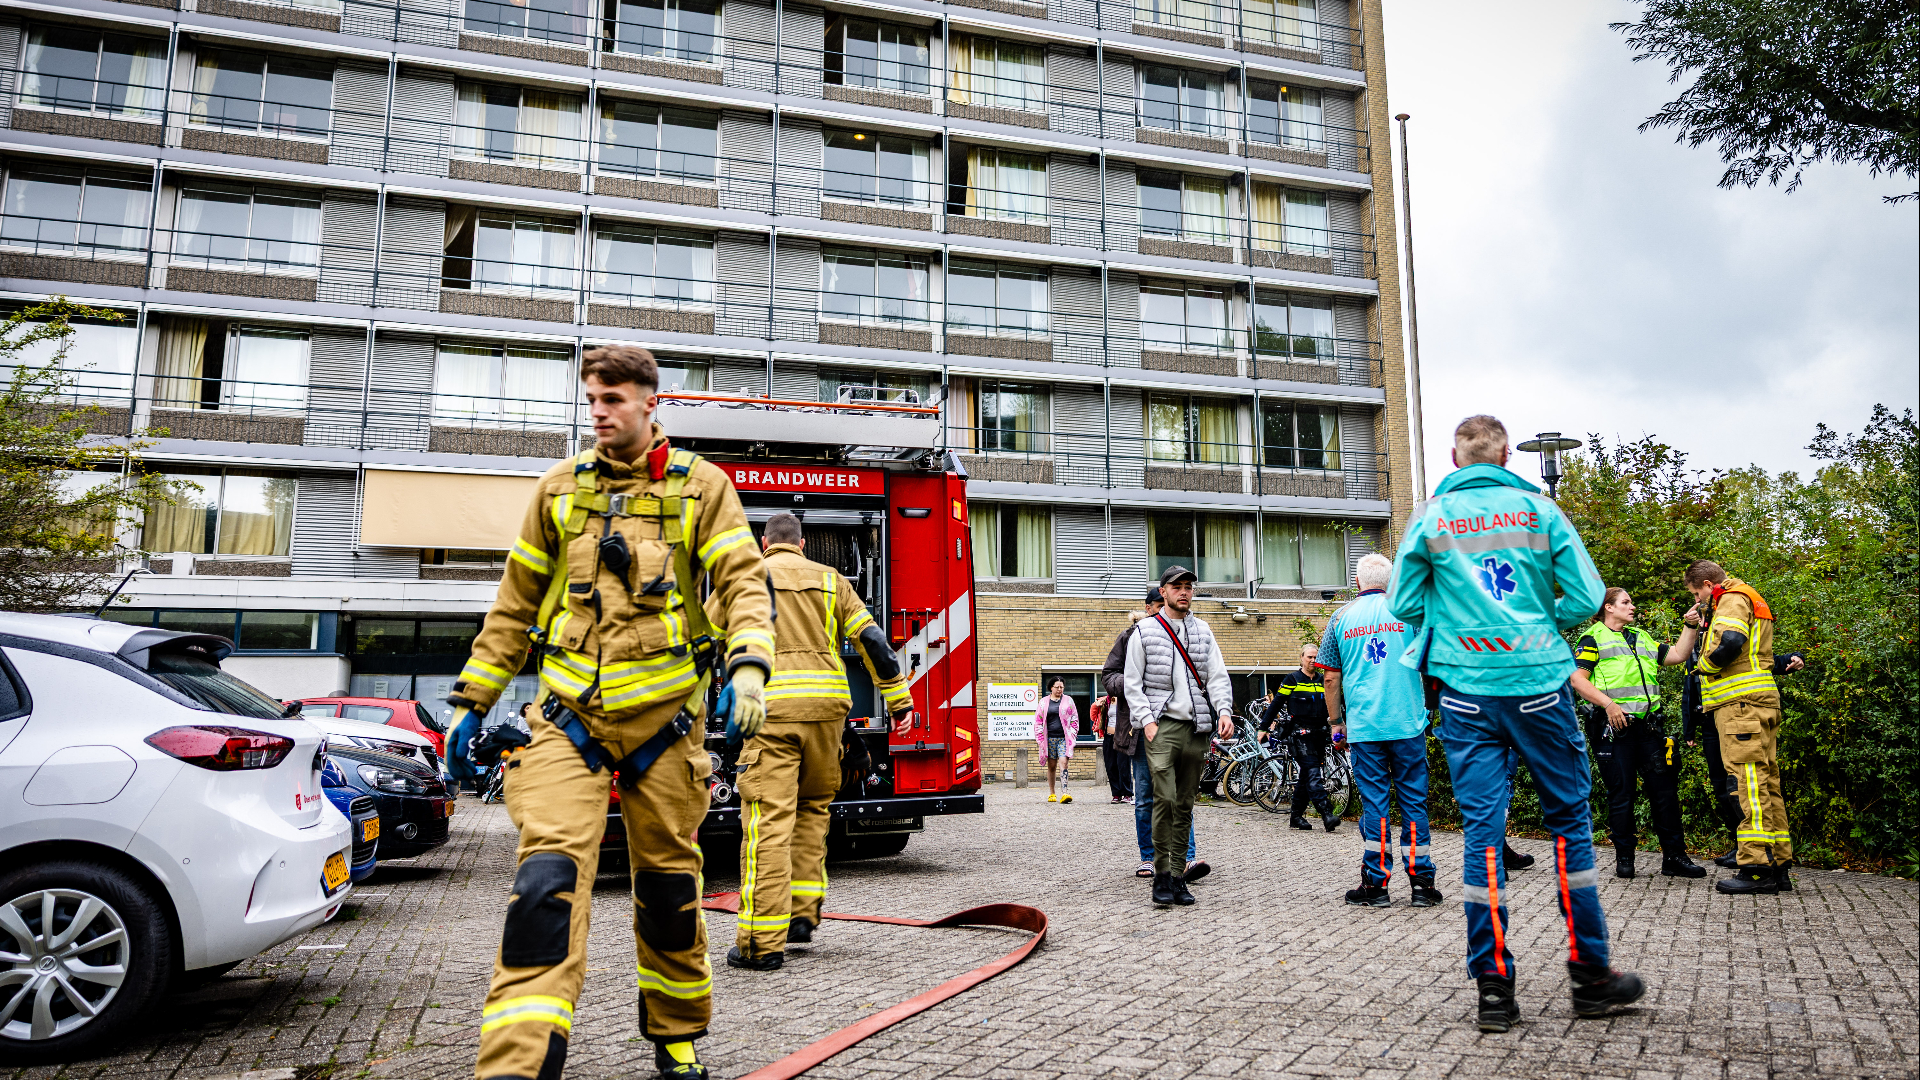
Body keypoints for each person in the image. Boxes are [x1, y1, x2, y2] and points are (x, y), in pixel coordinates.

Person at [446, 344, 774, 1080]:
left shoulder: (703, 488)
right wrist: (471, 701)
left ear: (651, 402)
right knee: (544, 887)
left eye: (613, 399)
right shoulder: (559, 490)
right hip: (568, 723)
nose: (598, 412)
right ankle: (515, 1068)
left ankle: (677, 1036)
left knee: (669, 892)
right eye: (591, 398)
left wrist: (750, 666)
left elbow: (743, 583)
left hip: (666, 727)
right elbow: (514, 606)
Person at [1388, 414, 1642, 1033]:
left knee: (1482, 833)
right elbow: (1585, 598)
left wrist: (1457, 620)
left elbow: (1403, 603)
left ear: (1455, 457)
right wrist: (1533, 619)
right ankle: (1591, 977)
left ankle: (1494, 990)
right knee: (1569, 826)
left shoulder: (1430, 518)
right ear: (1506, 455)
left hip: (1465, 693)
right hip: (1538, 686)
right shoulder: (1540, 512)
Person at [711, 512, 913, 970]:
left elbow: (701, 640)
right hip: (826, 716)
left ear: (764, 543)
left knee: (768, 824)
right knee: (810, 815)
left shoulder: (744, 577)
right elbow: (873, 641)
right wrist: (900, 702)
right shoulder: (831, 580)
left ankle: (761, 944)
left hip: (770, 714)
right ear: (802, 544)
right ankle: (801, 917)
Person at [1320, 554, 1438, 907]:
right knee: (1414, 802)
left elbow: (1330, 677)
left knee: (1375, 805)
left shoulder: (1340, 617)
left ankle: (1375, 886)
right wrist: (1431, 709)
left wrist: (1336, 723)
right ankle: (1422, 885)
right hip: (1407, 724)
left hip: (1365, 729)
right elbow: (1432, 664)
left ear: (1358, 582)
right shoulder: (1412, 612)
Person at [1568, 587, 1705, 880]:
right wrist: (1608, 705)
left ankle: (1674, 857)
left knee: (1665, 793)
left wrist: (1690, 625)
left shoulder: (1640, 636)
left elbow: (1678, 654)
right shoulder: (1592, 638)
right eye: (1626, 602)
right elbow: (1578, 680)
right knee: (1622, 794)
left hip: (1649, 728)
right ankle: (1625, 857)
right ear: (1608, 607)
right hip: (1615, 731)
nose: (1632, 606)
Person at [1685, 560, 1799, 894]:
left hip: (1741, 707)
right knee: (1767, 784)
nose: (1698, 601)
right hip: (1759, 703)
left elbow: (1732, 641)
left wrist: (1704, 667)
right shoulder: (1751, 597)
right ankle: (1778, 865)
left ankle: (1756, 868)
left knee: (1746, 785)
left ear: (1708, 585)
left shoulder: (1731, 598)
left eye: (1697, 594)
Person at [1123, 566, 1234, 908]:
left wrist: (1224, 710)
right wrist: (1147, 722)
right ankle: (1160, 875)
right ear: (1163, 591)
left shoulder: (1203, 630)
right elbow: (1132, 682)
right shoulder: (1144, 631)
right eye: (1177, 587)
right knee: (1165, 800)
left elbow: (1217, 675)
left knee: (1185, 804)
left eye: (1188, 587)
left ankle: (1176, 877)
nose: (1184, 592)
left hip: (1196, 728)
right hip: (1162, 727)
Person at [1102, 592, 1204, 881]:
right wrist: (1136, 680)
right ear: (1149, 609)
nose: (1165, 612)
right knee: (1146, 797)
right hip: (1140, 732)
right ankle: (1148, 858)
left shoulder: (1188, 634)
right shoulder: (1130, 637)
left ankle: (1187, 859)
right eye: (1160, 607)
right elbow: (1108, 676)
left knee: (1180, 796)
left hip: (1178, 728)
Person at [1276, 643, 1340, 832]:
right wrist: (1263, 728)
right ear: (1302, 658)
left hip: (1319, 735)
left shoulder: (1323, 680)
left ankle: (1296, 817)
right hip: (1300, 736)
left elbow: (1335, 705)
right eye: (1309, 657)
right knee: (1313, 773)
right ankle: (1327, 813)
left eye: (1315, 657)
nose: (1313, 660)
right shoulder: (1292, 679)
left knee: (1306, 775)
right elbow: (1276, 703)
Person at [1033, 679, 1079, 804]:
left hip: (1064, 739)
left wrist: (1073, 733)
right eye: (1057, 687)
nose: (1059, 689)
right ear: (1051, 688)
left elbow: (1074, 718)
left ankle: (1065, 792)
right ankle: (1052, 793)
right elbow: (1038, 721)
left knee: (1064, 763)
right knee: (1052, 766)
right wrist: (1040, 739)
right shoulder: (1043, 702)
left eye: (1061, 687)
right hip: (1049, 739)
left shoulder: (1068, 700)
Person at [1091, 692, 1133, 803]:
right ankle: (1116, 794)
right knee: (1110, 765)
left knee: (1123, 765)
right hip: (1109, 736)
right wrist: (1096, 706)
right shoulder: (1106, 701)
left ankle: (1127, 793)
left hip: (1123, 737)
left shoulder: (1127, 699)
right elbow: (1093, 716)